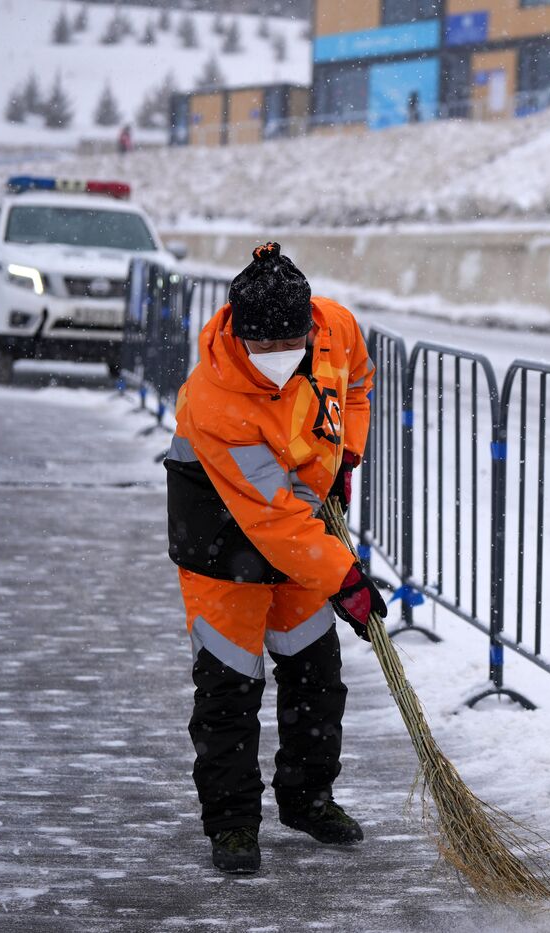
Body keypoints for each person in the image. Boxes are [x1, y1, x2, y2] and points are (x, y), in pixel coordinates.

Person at [164, 242, 388, 873]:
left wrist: (346, 455)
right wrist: (345, 578)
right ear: (237, 334)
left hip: (298, 526)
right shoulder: (216, 399)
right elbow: (271, 518)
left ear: (309, 327)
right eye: (261, 350)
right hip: (221, 533)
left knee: (317, 673)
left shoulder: (335, 328)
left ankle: (308, 799)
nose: (275, 361)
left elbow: (359, 386)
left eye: (286, 345)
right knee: (231, 685)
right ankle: (232, 825)